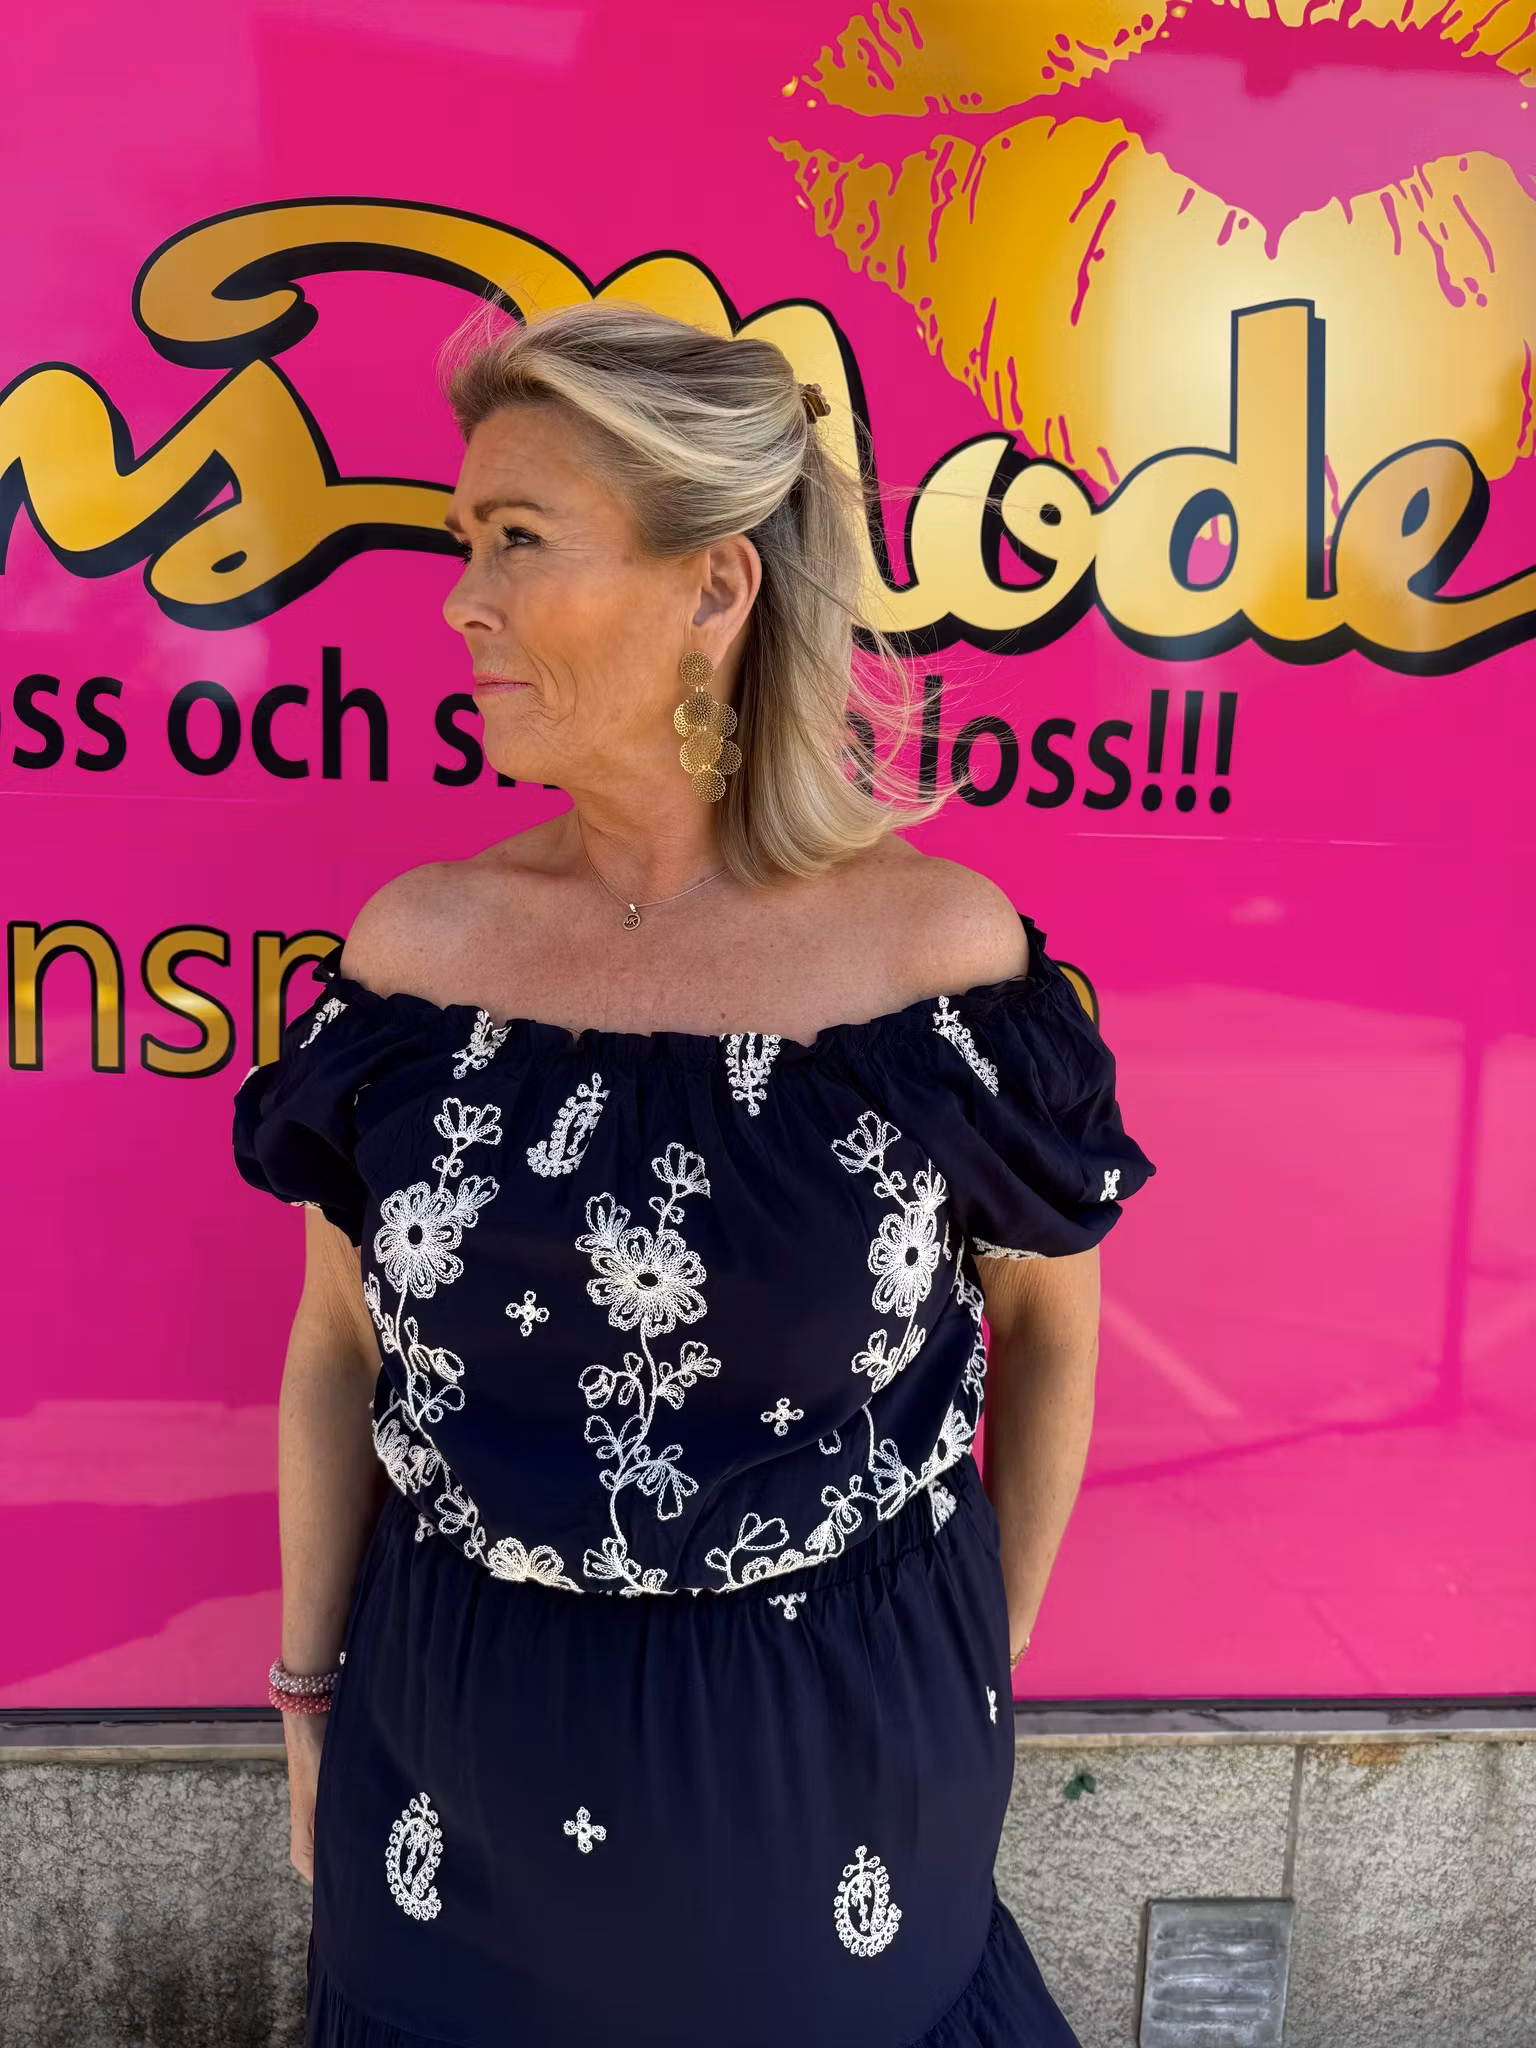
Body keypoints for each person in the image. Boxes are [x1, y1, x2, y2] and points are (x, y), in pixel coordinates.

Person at [232, 299, 1155, 2048]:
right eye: (462, 542)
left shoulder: (934, 969)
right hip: (448, 1776)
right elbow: (340, 1348)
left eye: (517, 539)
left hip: (827, 1788)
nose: (460, 601)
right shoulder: (416, 960)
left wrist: (974, 1666)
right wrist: (303, 1693)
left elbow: (1051, 1335)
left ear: (714, 589)